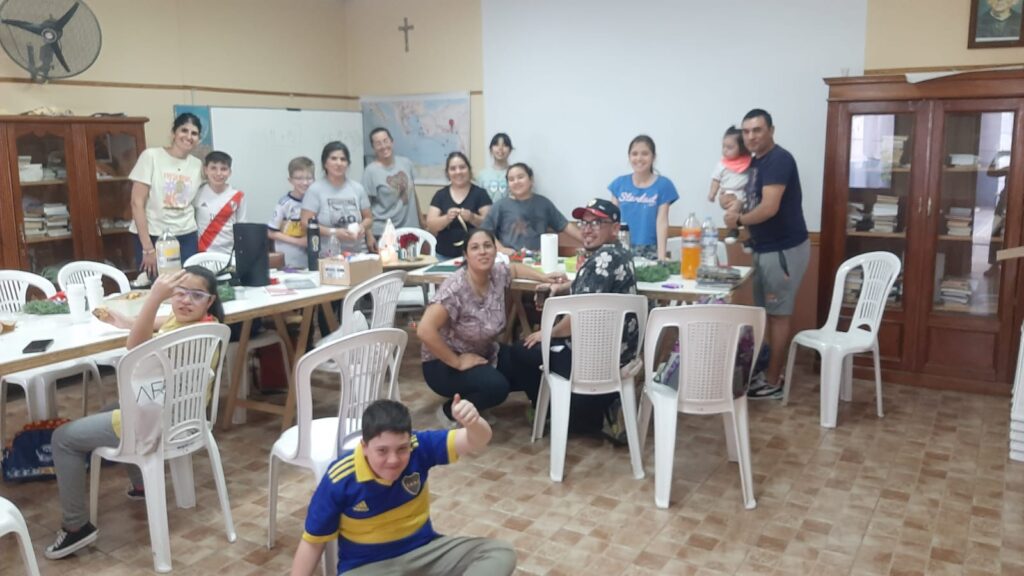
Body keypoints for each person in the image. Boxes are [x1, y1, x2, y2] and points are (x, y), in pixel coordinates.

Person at [45, 266, 224, 560]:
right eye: (180, 293)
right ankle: (142, 485)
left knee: (63, 438)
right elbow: (160, 323)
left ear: (209, 300)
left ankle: (76, 527)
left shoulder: (178, 332)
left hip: (154, 421)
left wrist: (154, 298)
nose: (185, 300)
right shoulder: (206, 323)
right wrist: (126, 321)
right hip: (185, 416)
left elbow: (135, 347)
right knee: (112, 408)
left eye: (196, 295)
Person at [290, 399, 516, 576]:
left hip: (425, 552)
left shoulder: (419, 447)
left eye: (401, 449)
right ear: (365, 447)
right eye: (382, 451)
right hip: (367, 567)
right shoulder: (340, 478)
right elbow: (313, 543)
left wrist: (473, 422)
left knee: (499, 553)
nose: (393, 460)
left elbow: (477, 439)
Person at [518, 199, 639, 443]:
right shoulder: (619, 254)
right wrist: (564, 286)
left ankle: (551, 411)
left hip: (593, 360)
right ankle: (590, 409)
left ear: (615, 228)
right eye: (584, 223)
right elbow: (595, 290)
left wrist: (547, 333)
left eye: (597, 223)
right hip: (619, 354)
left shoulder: (602, 260)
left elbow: (579, 320)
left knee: (522, 352)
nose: (587, 229)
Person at [417, 229, 566, 426]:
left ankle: (542, 414)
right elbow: (424, 330)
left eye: (487, 246)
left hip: (485, 352)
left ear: (495, 251)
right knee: (496, 387)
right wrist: (457, 361)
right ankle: (451, 411)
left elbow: (514, 269)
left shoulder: (496, 274)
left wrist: (545, 278)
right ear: (465, 255)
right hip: (443, 363)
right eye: (475, 247)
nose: (482, 252)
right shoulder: (454, 289)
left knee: (527, 358)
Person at [723, 109, 810, 400]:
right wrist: (731, 202)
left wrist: (738, 220)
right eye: (746, 131)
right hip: (763, 247)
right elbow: (750, 200)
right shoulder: (755, 162)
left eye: (757, 130)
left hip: (782, 249)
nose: (751, 136)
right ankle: (766, 372)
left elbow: (769, 208)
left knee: (778, 315)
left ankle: (773, 382)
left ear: (771, 130)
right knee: (765, 313)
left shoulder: (779, 160)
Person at [128, 112, 204, 279]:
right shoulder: (151, 156)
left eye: (194, 133)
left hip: (186, 234)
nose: (188, 137)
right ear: (173, 133)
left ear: (198, 139)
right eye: (184, 130)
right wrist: (148, 248)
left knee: (187, 284)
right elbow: (136, 202)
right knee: (155, 286)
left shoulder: (197, 165)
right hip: (154, 235)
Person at [482, 163, 583, 255]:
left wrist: (587, 240)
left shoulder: (544, 203)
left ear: (531, 179)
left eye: (520, 177)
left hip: (538, 258)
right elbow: (485, 231)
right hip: (511, 258)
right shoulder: (500, 205)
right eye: (511, 179)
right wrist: (501, 249)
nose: (516, 182)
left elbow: (565, 225)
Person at [608, 135, 679, 260]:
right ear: (629, 157)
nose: (639, 158)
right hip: (622, 247)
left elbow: (662, 222)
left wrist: (661, 258)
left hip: (651, 249)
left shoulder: (664, 185)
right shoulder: (619, 184)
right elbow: (612, 221)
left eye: (645, 154)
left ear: (653, 157)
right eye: (634, 154)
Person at [301, 141, 374, 255]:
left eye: (343, 159)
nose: (339, 163)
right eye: (333, 158)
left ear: (348, 164)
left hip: (359, 254)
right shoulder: (315, 190)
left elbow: (368, 218)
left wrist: (361, 227)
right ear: (325, 163)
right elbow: (306, 224)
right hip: (328, 255)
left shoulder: (357, 188)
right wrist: (334, 232)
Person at [426, 152, 493, 258]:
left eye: (462, 167)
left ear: (469, 170)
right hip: (443, 256)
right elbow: (431, 225)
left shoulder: (481, 194)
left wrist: (472, 217)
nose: (458, 172)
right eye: (453, 169)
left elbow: (489, 225)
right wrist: (446, 218)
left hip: (475, 257)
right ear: (447, 173)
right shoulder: (440, 195)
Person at [363, 127, 422, 240]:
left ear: (392, 142)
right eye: (378, 143)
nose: (383, 146)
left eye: (386, 141)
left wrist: (422, 222)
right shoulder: (370, 172)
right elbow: (366, 207)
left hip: (410, 229)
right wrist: (369, 235)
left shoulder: (406, 163)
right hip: (383, 232)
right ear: (373, 148)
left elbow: (413, 194)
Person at [707, 126, 753, 246]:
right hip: (729, 194)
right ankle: (733, 229)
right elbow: (716, 180)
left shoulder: (748, 162)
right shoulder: (722, 164)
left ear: (742, 148)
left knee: (748, 217)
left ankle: (750, 238)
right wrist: (712, 193)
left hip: (745, 195)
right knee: (733, 209)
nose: (725, 150)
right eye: (723, 146)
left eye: (730, 147)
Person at [194, 150, 246, 255]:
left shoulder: (238, 196)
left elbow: (241, 228)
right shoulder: (197, 193)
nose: (218, 173)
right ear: (206, 170)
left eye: (223, 169)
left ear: (230, 172)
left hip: (229, 255)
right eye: (213, 168)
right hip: (202, 254)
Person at [268, 156, 315, 269]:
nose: (305, 183)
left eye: (309, 178)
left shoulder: (316, 202)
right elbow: (270, 232)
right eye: (299, 178)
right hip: (288, 260)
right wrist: (299, 242)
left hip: (310, 259)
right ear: (290, 180)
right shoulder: (284, 203)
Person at [475, 133, 513, 202]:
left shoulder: (514, 173)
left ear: (510, 150)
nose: (500, 148)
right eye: (496, 145)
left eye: (505, 145)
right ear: (491, 149)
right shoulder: (482, 175)